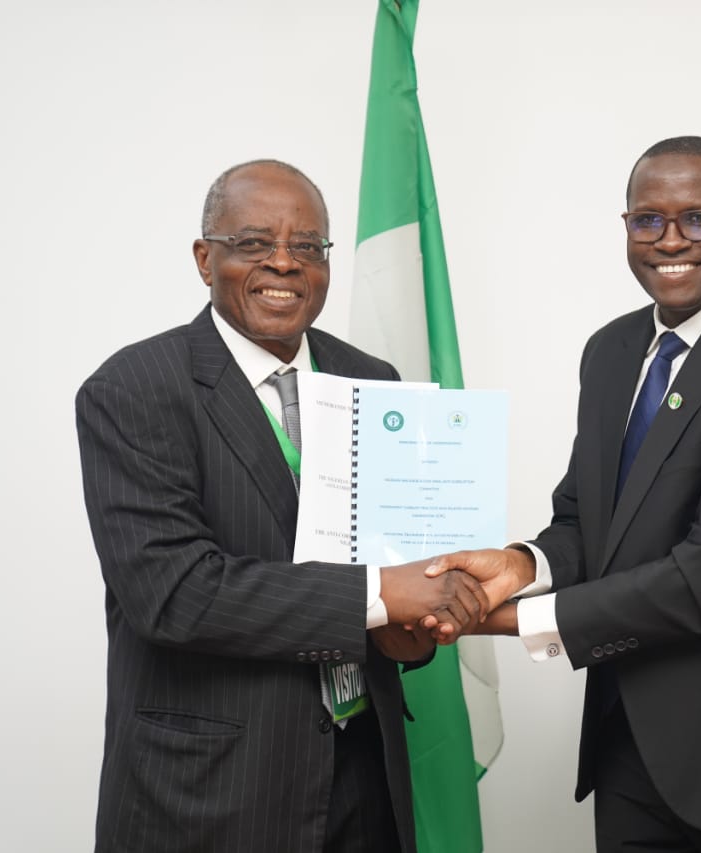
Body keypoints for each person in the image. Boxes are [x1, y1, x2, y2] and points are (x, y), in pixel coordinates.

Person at [426, 137, 701, 852]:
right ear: (627, 226)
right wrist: (517, 566)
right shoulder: (610, 350)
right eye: (648, 220)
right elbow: (587, 519)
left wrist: (505, 620)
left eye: (698, 218)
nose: (670, 241)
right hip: (630, 746)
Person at [75, 159, 486, 853]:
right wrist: (383, 593)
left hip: (363, 778)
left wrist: (413, 628)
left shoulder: (373, 381)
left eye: (307, 246)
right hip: (212, 791)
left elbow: (399, 565)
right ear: (205, 258)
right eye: (254, 243)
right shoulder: (135, 388)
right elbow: (174, 593)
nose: (285, 263)